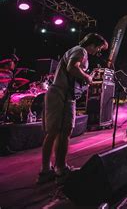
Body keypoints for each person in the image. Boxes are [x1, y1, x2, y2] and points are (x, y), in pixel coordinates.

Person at [37, 33, 108, 184]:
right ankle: (60, 169)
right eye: (99, 48)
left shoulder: (78, 51)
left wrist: (87, 76)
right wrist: (88, 78)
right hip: (61, 95)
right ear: (94, 44)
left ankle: (47, 170)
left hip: (61, 94)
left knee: (55, 132)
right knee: (62, 132)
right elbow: (72, 68)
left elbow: (74, 74)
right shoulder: (80, 51)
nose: (98, 52)